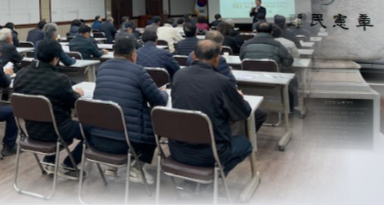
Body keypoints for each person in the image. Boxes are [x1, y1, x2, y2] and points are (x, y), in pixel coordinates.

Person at [91, 38, 168, 185]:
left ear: (114, 53)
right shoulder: (138, 71)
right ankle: (137, 167)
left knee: (114, 114)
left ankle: (111, 166)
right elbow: (159, 101)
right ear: (134, 55)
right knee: (154, 125)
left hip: (97, 138)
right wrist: (162, 92)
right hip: (126, 143)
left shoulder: (102, 68)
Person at [170, 40, 253, 174]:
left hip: (177, 150)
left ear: (194, 56)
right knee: (245, 143)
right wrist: (239, 97)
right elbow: (244, 112)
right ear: (217, 59)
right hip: (212, 154)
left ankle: (197, 181)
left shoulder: (178, 76)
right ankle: (212, 179)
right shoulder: (222, 82)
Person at [13, 39, 85, 179]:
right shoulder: (59, 79)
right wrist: (78, 93)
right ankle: (69, 165)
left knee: (49, 117)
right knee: (92, 130)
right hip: (57, 131)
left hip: (32, 130)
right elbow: (74, 103)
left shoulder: (21, 74)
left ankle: (49, 161)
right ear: (55, 59)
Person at [240, 22, 298, 113]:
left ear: (256, 31)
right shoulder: (277, 44)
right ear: (271, 32)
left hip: (249, 81)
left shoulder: (246, 44)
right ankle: (291, 109)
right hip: (272, 81)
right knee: (293, 79)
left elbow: (241, 58)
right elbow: (288, 62)